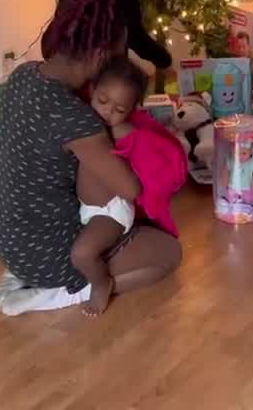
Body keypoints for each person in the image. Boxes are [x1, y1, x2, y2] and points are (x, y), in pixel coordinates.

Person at [0, 0, 181, 316]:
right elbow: (130, 189)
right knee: (168, 253)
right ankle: (65, 293)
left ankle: (26, 276)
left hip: (6, 240)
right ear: (101, 54)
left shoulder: (23, 75)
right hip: (47, 255)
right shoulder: (77, 118)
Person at [74, 56, 187, 315]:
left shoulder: (121, 131)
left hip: (110, 211)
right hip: (87, 207)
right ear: (92, 90)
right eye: (103, 101)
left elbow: (145, 165)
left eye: (119, 109)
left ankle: (101, 285)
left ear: (131, 110)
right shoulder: (84, 120)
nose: (108, 112)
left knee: (81, 253)